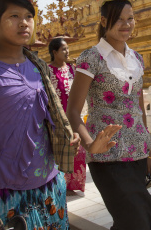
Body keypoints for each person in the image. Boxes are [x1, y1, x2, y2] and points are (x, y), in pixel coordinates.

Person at [0, 0, 80, 230]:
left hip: (48, 185)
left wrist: (67, 137)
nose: (24, 23)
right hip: (2, 192)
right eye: (14, 16)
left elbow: (51, 117)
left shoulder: (39, 66)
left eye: (28, 16)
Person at [67, 0, 151, 230]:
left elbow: (138, 107)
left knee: (143, 218)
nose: (126, 24)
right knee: (136, 220)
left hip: (137, 150)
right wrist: (89, 145)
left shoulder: (136, 58)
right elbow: (73, 110)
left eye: (130, 19)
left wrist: (147, 152)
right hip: (107, 153)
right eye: (119, 19)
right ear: (104, 21)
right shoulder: (91, 58)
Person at [48, 37, 87, 195]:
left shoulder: (72, 69)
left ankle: (74, 184)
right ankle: (60, 184)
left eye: (67, 49)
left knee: (78, 151)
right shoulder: (48, 70)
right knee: (61, 150)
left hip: (75, 116)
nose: (67, 51)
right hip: (58, 119)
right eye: (63, 49)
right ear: (54, 52)